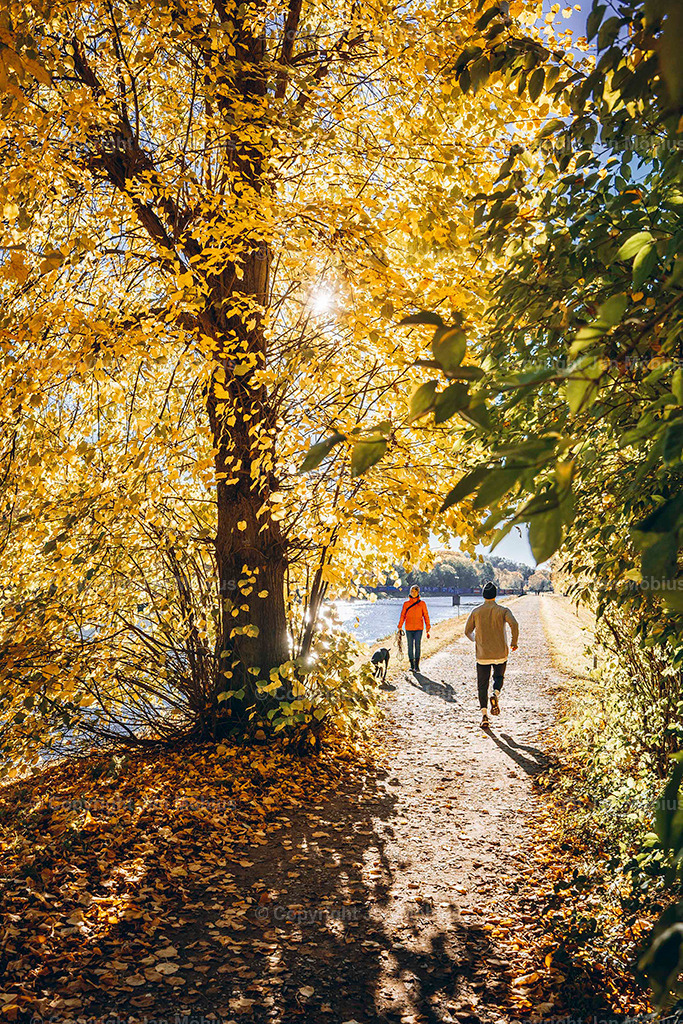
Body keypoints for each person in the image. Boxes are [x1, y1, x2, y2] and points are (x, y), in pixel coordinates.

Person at [464, 581, 519, 730]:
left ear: (483, 595)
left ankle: (484, 716)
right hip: (500, 652)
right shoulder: (503, 610)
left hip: (483, 654)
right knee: (499, 677)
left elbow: (467, 631)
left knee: (482, 685)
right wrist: (514, 642)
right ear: (495, 595)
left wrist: (476, 639)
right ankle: (495, 693)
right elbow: (514, 624)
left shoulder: (476, 611)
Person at [398, 585, 431, 673]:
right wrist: (400, 626)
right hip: (408, 628)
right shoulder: (406, 604)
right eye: (411, 591)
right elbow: (403, 615)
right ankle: (412, 666)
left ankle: (417, 666)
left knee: (417, 646)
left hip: (418, 628)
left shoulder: (422, 604)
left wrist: (428, 626)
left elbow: (426, 615)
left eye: (414, 591)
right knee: (410, 647)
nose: (413, 593)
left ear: (418, 592)